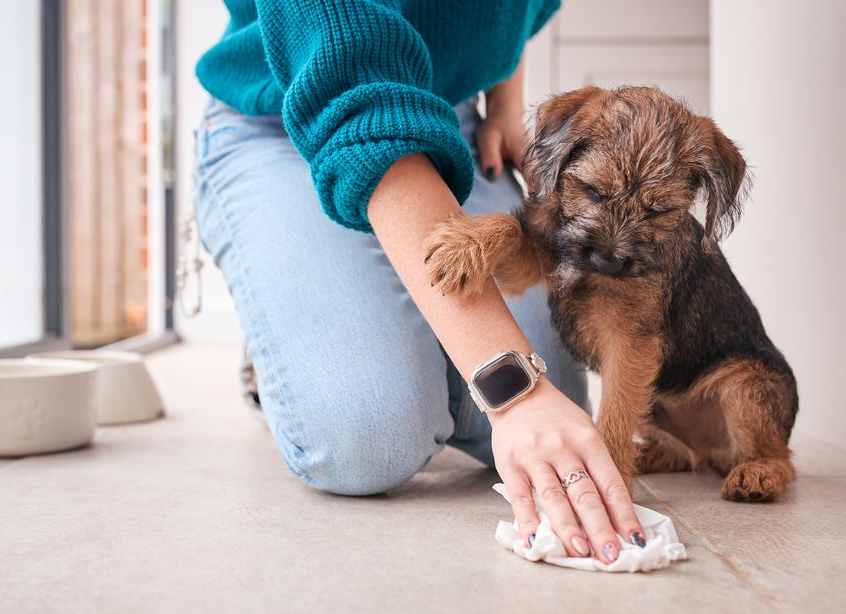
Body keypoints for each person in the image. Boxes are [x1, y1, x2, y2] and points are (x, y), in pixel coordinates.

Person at [194, 0, 645, 564]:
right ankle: (284, 319)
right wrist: (513, 394)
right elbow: (355, 82)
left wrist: (504, 104)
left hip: (447, 115)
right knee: (371, 440)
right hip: (289, 114)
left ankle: (346, 304)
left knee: (539, 412)